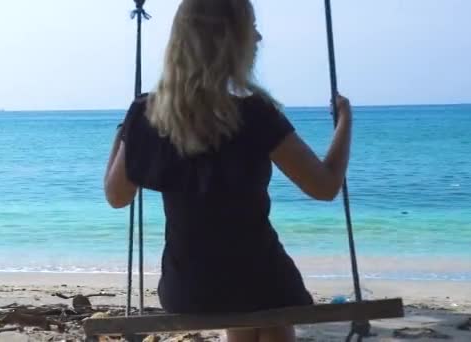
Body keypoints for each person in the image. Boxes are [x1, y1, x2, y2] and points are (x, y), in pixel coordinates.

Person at [103, 0, 352, 341]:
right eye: (251, 27)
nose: (259, 37)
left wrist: (124, 133)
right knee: (265, 302)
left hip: (188, 289)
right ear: (230, 40)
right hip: (262, 280)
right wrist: (345, 122)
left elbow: (116, 197)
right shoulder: (256, 114)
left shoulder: (146, 114)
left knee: (244, 305)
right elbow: (325, 187)